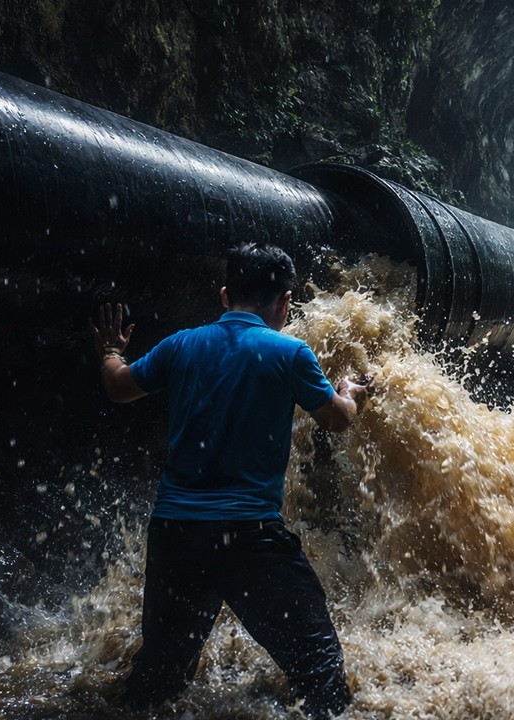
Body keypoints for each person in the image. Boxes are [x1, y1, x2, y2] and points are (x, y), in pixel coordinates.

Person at [88, 243, 368, 718]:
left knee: (158, 684)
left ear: (224, 296)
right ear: (284, 302)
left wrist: (112, 351)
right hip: (249, 540)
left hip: (176, 536)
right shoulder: (290, 352)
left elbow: (118, 387)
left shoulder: (181, 345)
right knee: (321, 678)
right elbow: (337, 419)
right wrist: (350, 392)